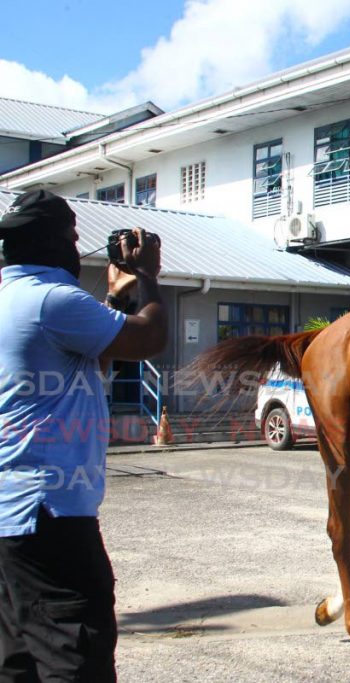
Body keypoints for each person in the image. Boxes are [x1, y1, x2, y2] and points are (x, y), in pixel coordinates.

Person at [0, 190, 167, 681]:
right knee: (77, 657)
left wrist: (115, 298)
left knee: (18, 659)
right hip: (49, 515)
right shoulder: (54, 300)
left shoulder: (13, 299)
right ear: (54, 242)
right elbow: (149, 339)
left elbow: (85, 360)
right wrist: (151, 277)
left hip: (10, 519)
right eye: (74, 236)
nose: (79, 247)